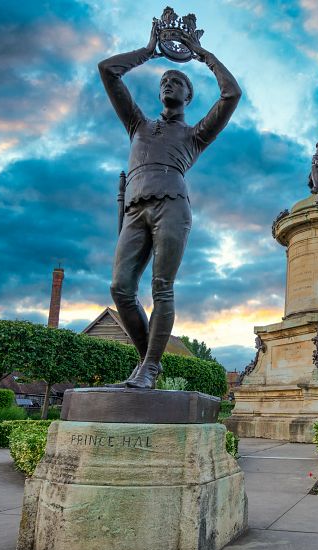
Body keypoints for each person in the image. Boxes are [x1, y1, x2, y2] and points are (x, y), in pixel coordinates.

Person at [98, 25, 241, 388]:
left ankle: (148, 367)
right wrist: (149, 50)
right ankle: (148, 362)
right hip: (134, 208)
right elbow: (108, 71)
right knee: (120, 288)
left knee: (162, 286)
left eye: (177, 82)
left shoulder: (195, 135)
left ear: (188, 96)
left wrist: (201, 54)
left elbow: (231, 93)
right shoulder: (138, 125)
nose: (169, 84)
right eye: (164, 81)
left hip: (172, 206)